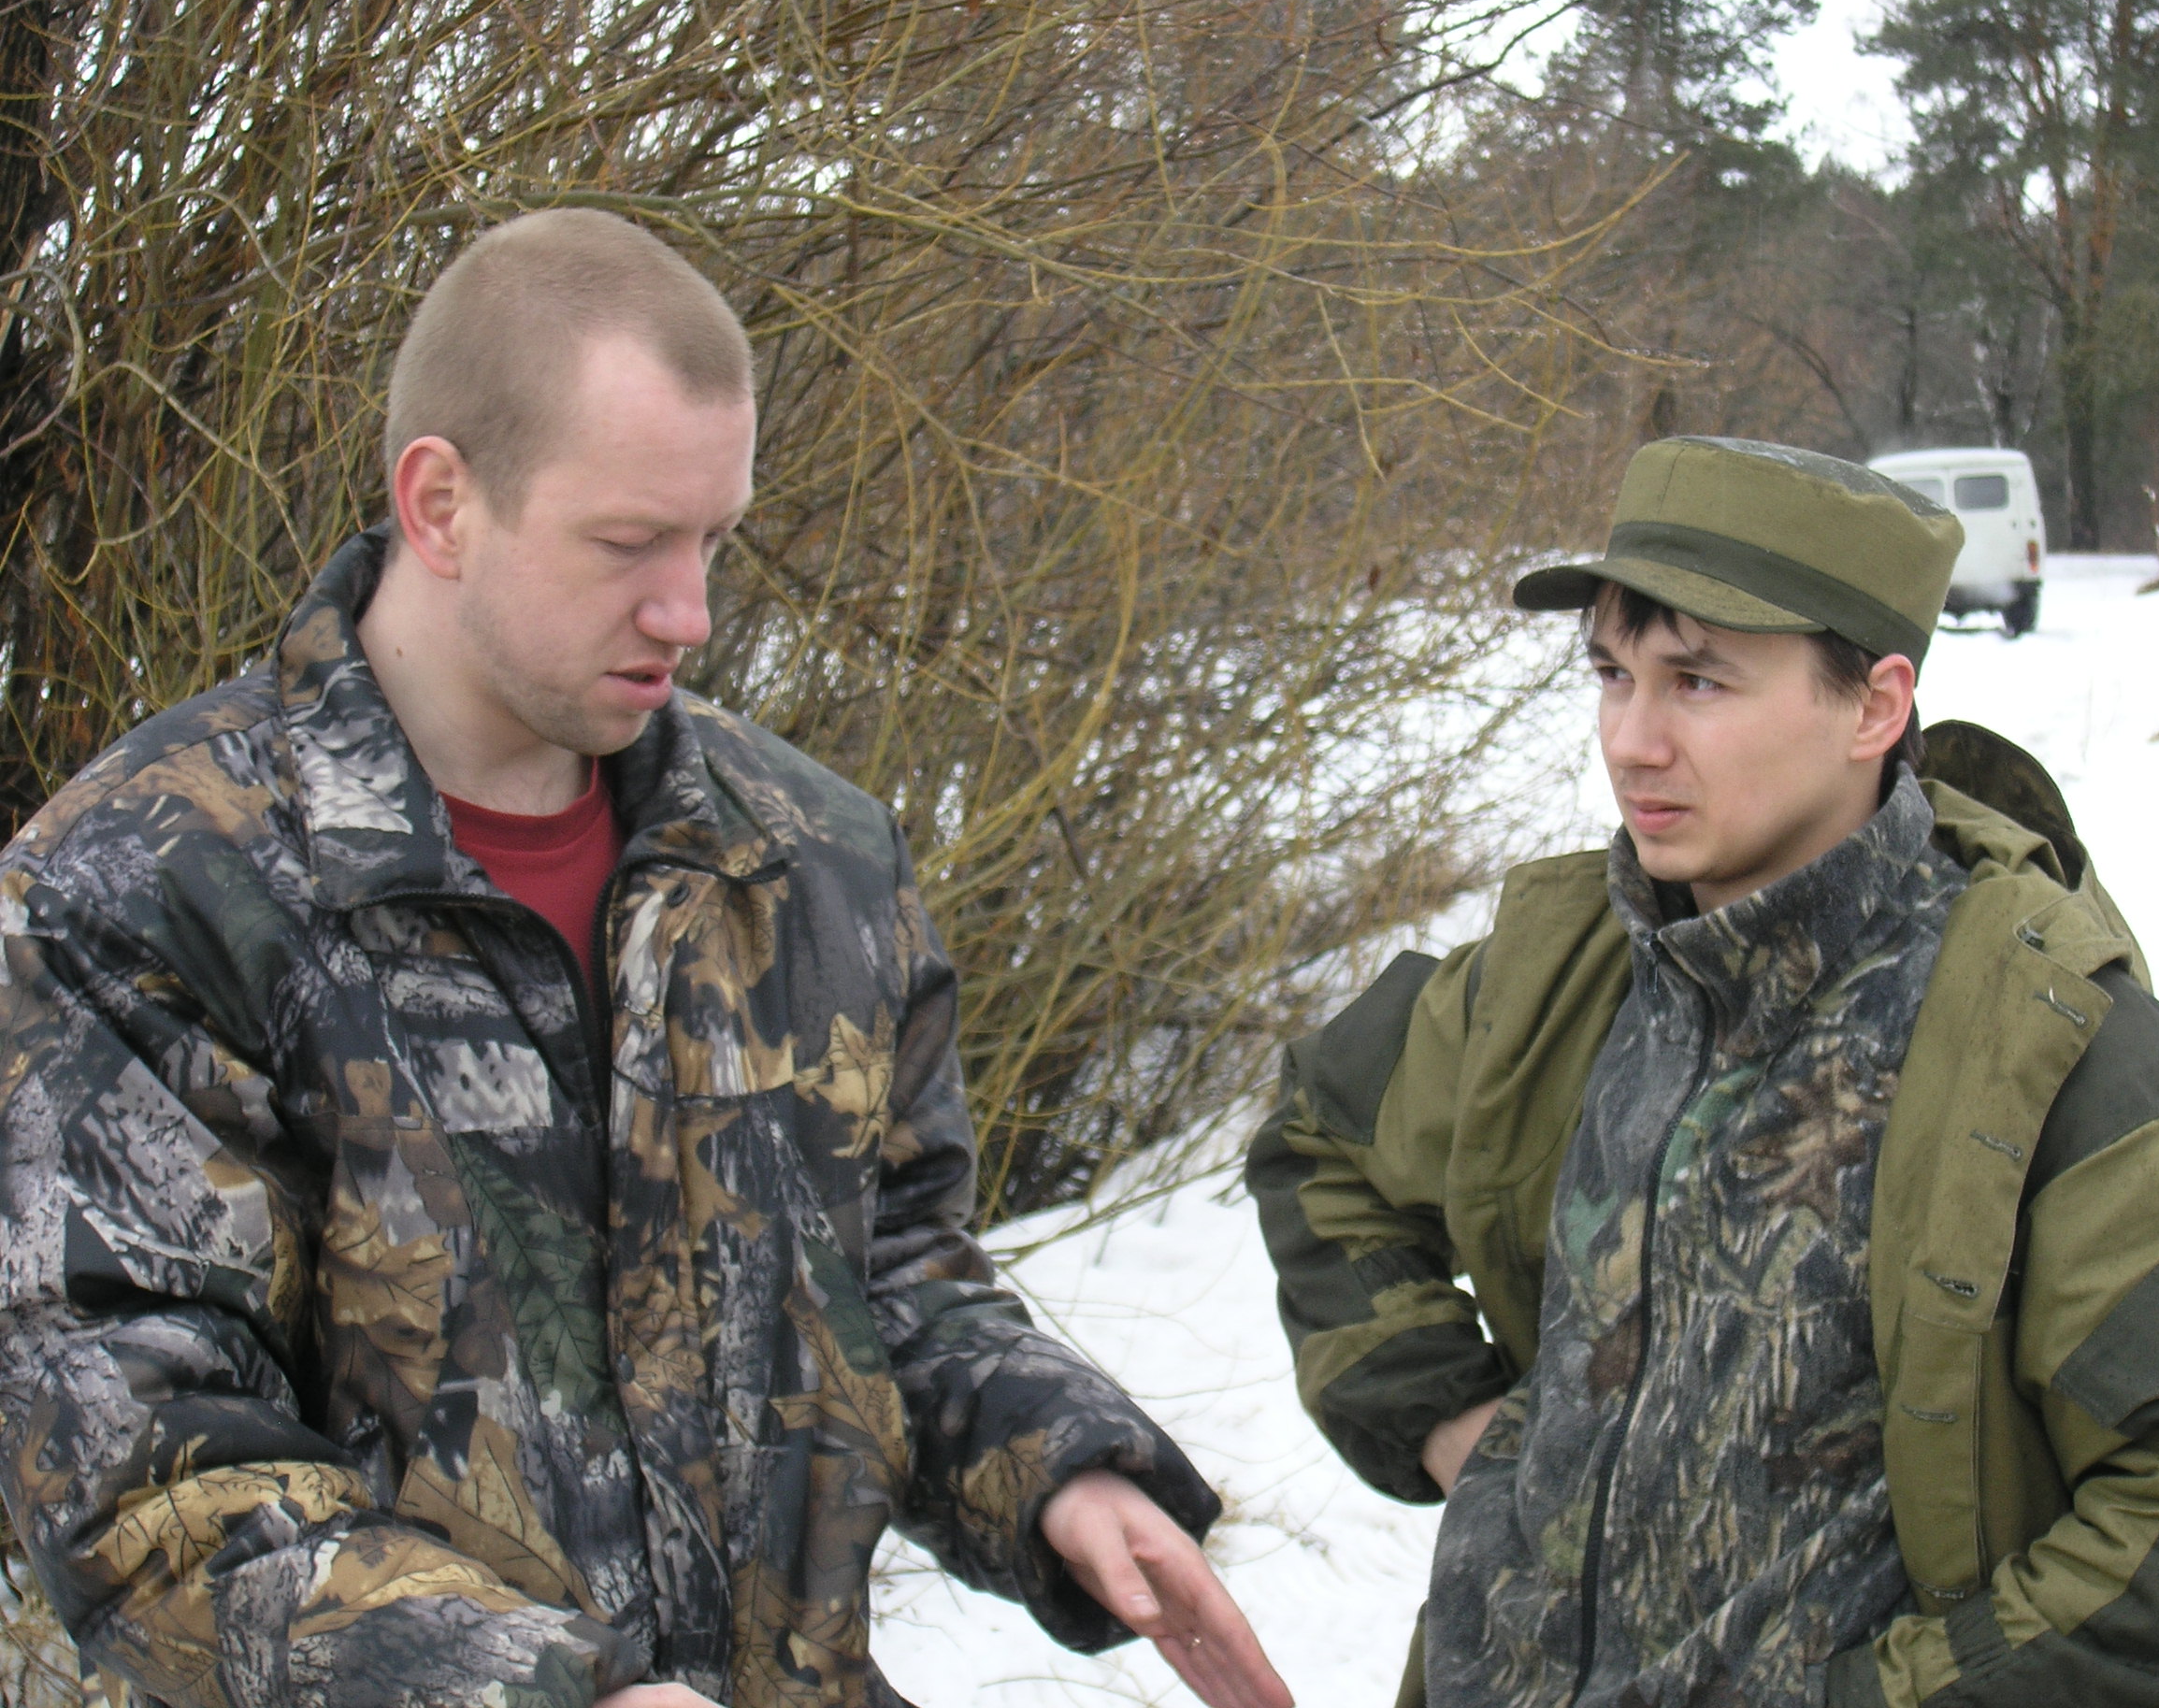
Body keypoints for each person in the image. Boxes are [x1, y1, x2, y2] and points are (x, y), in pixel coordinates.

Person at [0, 209, 1290, 1708]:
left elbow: (891, 1273)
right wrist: (548, 1691)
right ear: (441, 504)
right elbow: (141, 1478)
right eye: (628, 544)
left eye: (713, 540)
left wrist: (1056, 1468)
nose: (690, 613)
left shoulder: (810, 858)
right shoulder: (143, 887)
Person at [1248, 437, 2159, 1707]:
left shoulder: (2041, 1044)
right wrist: (1455, 1423)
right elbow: (1318, 1137)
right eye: (1612, 675)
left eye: (1698, 682)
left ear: (1875, 707)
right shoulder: (1555, 975)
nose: (1631, 741)